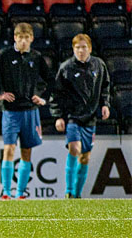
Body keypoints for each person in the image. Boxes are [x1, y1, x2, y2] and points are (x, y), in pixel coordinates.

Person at [0, 23, 54, 200]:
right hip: (11, 111)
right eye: (21, 38)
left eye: (27, 38)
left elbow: (51, 79)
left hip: (30, 111)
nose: (24, 41)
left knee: (26, 151)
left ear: (32, 39)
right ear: (15, 38)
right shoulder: (4, 54)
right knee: (9, 148)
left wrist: (43, 98)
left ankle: (20, 193)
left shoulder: (36, 56)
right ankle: (5, 192)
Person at [50, 34, 110, 199]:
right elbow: (56, 94)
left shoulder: (99, 65)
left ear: (89, 48)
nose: (81, 50)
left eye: (84, 47)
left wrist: (105, 104)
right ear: (73, 49)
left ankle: (77, 194)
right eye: (77, 48)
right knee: (74, 149)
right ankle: (69, 191)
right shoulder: (66, 68)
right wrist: (58, 116)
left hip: (90, 118)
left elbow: (105, 86)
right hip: (72, 117)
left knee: (85, 157)